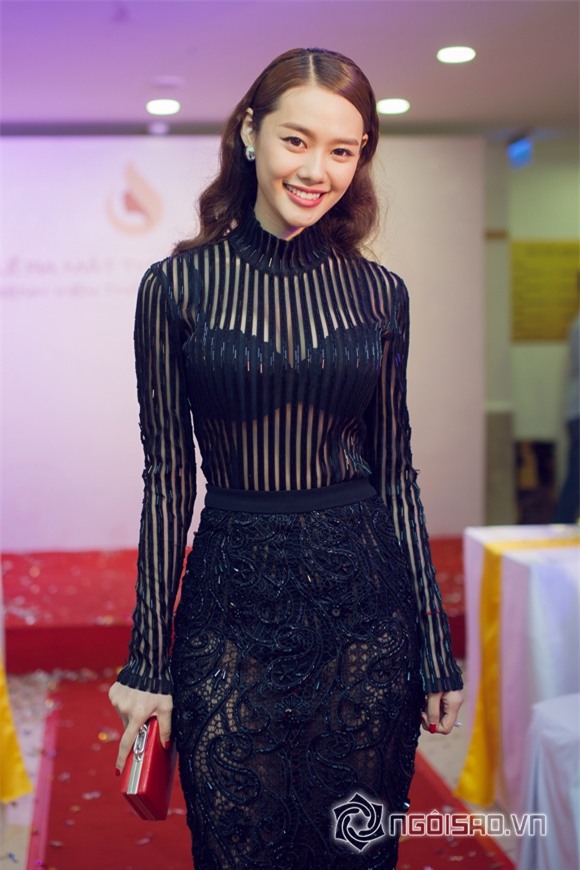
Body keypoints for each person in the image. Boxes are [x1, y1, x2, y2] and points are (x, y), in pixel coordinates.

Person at [109, 47, 464, 869]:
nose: (316, 170)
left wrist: (433, 640)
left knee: (353, 851)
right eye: (296, 140)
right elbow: (168, 479)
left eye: (342, 150)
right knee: (238, 849)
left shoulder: (381, 293)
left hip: (365, 616)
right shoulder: (176, 287)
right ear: (249, 133)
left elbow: (396, 473)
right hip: (230, 613)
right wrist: (147, 660)